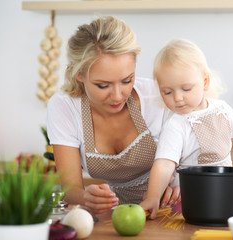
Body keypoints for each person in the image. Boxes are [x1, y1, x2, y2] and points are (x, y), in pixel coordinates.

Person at [47, 16, 180, 215]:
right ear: (79, 73)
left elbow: (194, 155)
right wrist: (86, 197)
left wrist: (179, 185)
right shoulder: (65, 106)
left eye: (127, 80)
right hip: (119, 214)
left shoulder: (156, 96)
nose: (118, 96)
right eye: (103, 85)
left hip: (172, 209)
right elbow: (70, 188)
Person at [140, 39, 233, 218]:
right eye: (167, 92)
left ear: (205, 82)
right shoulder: (176, 124)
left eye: (186, 88)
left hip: (225, 193)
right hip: (189, 202)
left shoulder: (221, 108)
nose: (177, 98)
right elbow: (164, 164)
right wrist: (153, 197)